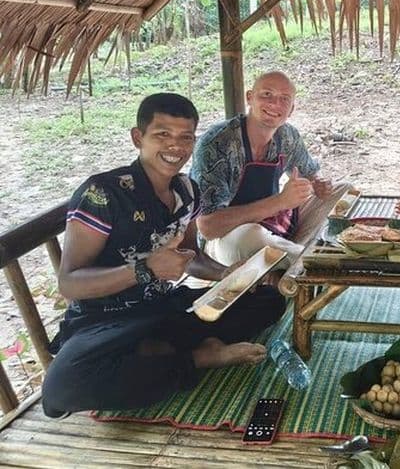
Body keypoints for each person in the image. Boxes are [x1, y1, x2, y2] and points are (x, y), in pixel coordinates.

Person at [41, 93, 286, 418]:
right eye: (163, 135)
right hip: (105, 322)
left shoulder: (186, 190)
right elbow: (69, 283)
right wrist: (146, 270)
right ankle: (198, 357)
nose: (176, 147)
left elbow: (191, 256)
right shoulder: (103, 194)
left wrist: (225, 274)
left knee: (268, 299)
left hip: (161, 309)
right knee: (64, 386)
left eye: (185, 138)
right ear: (137, 137)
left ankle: (156, 352)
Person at [190, 71, 347, 266]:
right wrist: (280, 202)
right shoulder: (217, 143)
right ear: (250, 98)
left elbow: (312, 175)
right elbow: (208, 227)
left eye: (284, 99)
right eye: (266, 95)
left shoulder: (287, 136)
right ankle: (312, 261)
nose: (274, 104)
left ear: (291, 109)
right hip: (225, 239)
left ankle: (286, 256)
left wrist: (319, 184)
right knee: (249, 237)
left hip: (276, 225)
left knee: (344, 191)